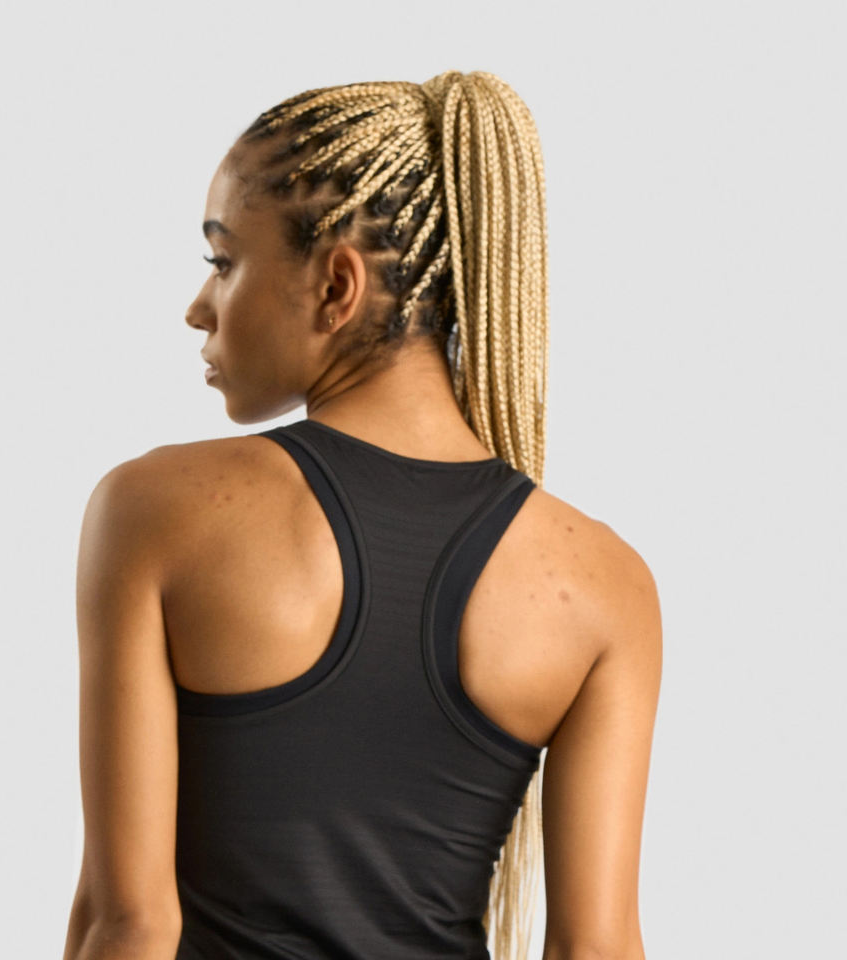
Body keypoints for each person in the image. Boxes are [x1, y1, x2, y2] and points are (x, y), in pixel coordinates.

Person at [62, 71, 662, 960]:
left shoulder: (155, 510)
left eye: (223, 263)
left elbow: (130, 924)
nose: (199, 308)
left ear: (337, 285)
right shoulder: (605, 582)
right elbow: (598, 949)